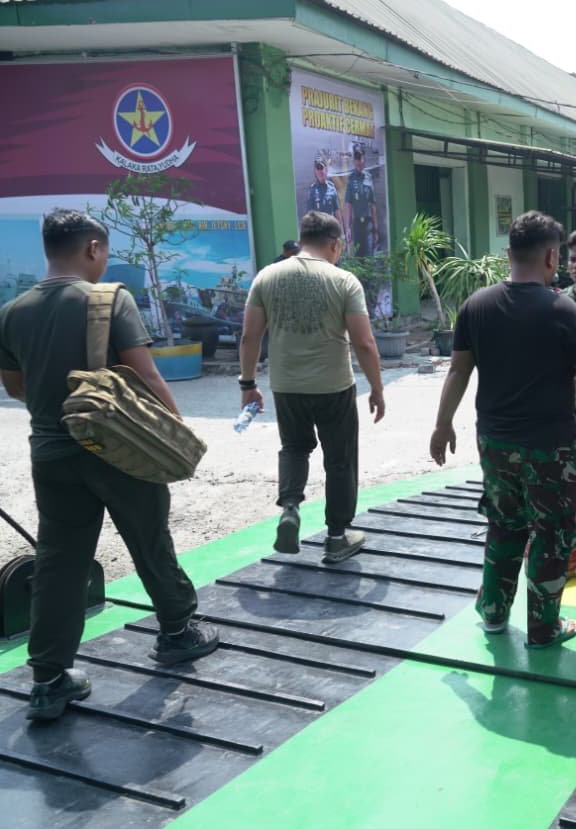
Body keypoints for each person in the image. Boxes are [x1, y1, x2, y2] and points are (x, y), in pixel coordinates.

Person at [0, 209, 218, 722]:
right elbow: (148, 378)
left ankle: (49, 680)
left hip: (50, 452)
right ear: (93, 248)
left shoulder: (11, 312)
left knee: (59, 559)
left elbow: (14, 387)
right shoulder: (108, 299)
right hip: (118, 450)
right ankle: (177, 632)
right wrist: (177, 435)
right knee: (148, 537)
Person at [430, 210, 576, 649]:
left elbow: (457, 372)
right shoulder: (562, 309)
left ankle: (492, 613)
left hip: (495, 441)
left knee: (505, 525)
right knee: (552, 532)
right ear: (552, 257)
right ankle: (543, 627)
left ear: (508, 253)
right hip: (552, 447)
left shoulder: (476, 305)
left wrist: (441, 425)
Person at [238, 211, 386, 566]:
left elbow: (249, 336)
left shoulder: (267, 277)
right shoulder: (344, 280)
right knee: (339, 460)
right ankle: (337, 537)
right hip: (333, 386)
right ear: (335, 245)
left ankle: (290, 507)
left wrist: (247, 385)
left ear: (302, 239)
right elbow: (364, 343)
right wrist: (378, 389)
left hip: (286, 386)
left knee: (294, 447)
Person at [344, 144, 378, 257]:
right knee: (359, 256)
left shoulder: (369, 177)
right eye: (357, 158)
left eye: (362, 158)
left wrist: (375, 228)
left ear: (364, 159)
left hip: (368, 224)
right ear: (354, 161)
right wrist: (348, 228)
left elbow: (373, 205)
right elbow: (348, 206)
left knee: (369, 255)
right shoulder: (351, 179)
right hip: (357, 224)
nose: (360, 161)